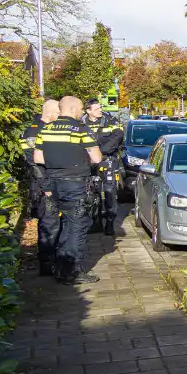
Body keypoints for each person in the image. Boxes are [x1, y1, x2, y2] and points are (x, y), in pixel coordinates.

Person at [35, 96, 102, 284]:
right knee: (76, 226)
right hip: (75, 185)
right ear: (73, 109)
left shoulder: (45, 130)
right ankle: (71, 271)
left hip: (53, 184)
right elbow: (96, 158)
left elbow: (38, 158)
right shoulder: (81, 130)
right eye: (81, 108)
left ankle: (60, 266)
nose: (82, 111)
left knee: (63, 225)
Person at [21, 100, 61, 276]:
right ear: (51, 113)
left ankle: (57, 259)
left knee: (55, 222)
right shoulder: (33, 131)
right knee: (48, 224)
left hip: (54, 182)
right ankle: (46, 264)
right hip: (43, 185)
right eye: (58, 113)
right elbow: (33, 163)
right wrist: (46, 187)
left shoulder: (52, 129)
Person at [82, 98, 124, 236]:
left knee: (110, 192)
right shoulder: (81, 123)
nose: (100, 110)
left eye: (100, 107)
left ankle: (110, 223)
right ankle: (96, 222)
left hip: (108, 161)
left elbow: (118, 136)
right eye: (97, 108)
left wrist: (102, 151)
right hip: (90, 163)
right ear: (88, 111)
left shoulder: (110, 120)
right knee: (93, 193)